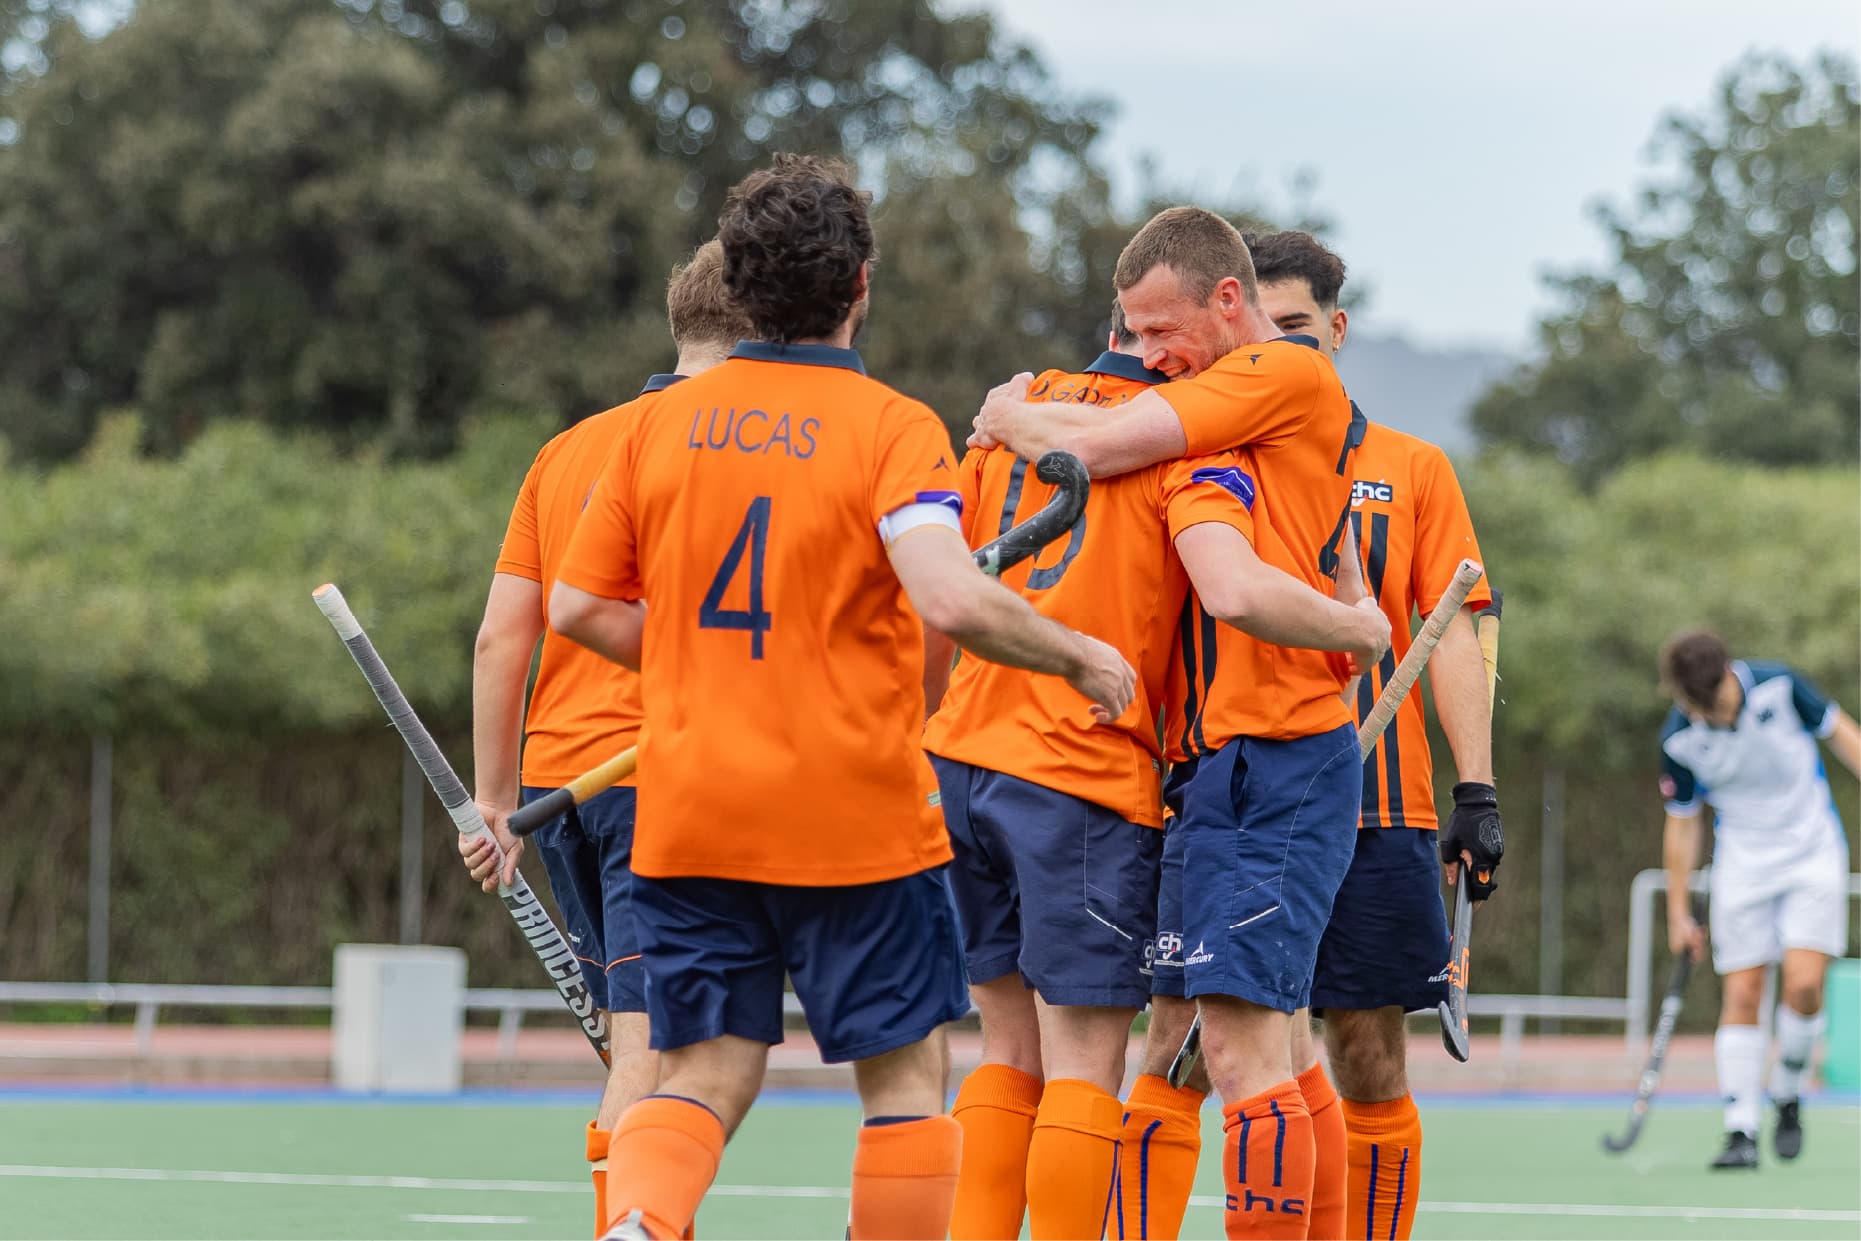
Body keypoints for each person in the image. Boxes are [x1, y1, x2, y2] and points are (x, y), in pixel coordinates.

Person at [547, 153, 1137, 1241]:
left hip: (688, 808)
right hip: (852, 812)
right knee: (906, 1079)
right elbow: (951, 599)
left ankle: (637, 1221)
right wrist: (1080, 656)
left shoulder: (651, 427)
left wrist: (691, 662)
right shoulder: (891, 428)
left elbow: (576, 607)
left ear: (738, 284)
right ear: (859, 284)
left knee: (703, 1069)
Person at [928, 305, 1389, 1241]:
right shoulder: (1178, 445)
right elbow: (1230, 586)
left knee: (1001, 1050)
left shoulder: (1008, 422)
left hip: (960, 755)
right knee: (1081, 1066)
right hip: (1080, 768)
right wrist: (1360, 627)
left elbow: (946, 591)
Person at [459, 240, 750, 1237]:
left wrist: (493, 802)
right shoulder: (731, 444)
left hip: (558, 784)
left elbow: (505, 634)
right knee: (654, 1055)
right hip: (658, 775)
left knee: (638, 1045)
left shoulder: (571, 447)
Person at [1659, 630, 1860, 1170]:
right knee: (1744, 991)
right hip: (1742, 864)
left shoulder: (1780, 686)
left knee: (1804, 986)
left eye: (1716, 704)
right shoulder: (1679, 739)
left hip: (1812, 850)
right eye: (1696, 709)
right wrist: (1678, 911)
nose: (1710, 718)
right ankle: (1740, 1128)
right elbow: (1682, 827)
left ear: (1730, 673)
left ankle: (1788, 1092)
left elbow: (1842, 734)